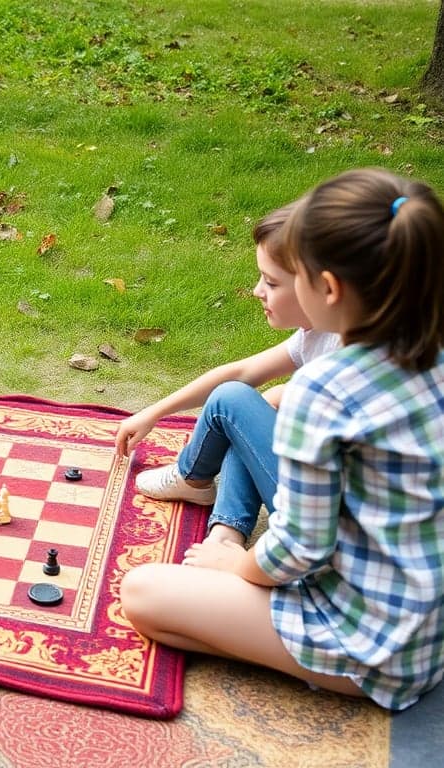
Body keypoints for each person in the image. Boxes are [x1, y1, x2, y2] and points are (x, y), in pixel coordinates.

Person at [121, 168, 444, 711]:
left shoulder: (327, 388)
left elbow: (301, 547)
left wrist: (234, 565)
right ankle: (228, 551)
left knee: (142, 593)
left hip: (372, 649)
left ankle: (287, 641)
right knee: (254, 408)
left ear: (329, 288)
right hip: (427, 629)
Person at [115, 201, 340, 545]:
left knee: (234, 399)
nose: (257, 291)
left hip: (319, 524)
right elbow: (244, 370)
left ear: (323, 287)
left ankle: (192, 477)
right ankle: (227, 530)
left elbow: (236, 391)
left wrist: (285, 399)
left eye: (271, 282)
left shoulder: (348, 355)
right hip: (317, 505)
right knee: (252, 407)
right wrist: (155, 412)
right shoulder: (321, 332)